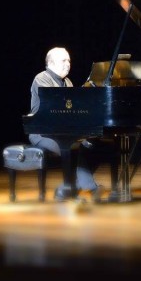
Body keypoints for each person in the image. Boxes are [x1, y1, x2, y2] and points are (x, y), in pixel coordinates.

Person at [28, 46, 104, 202]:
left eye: (69, 60)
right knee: (72, 147)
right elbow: (54, 106)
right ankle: (91, 187)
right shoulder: (41, 79)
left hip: (64, 131)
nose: (68, 63)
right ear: (50, 62)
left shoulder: (67, 81)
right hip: (42, 133)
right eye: (63, 60)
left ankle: (66, 189)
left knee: (94, 145)